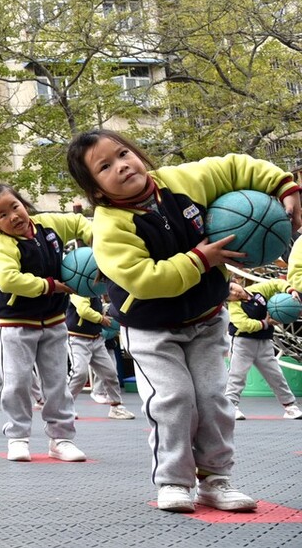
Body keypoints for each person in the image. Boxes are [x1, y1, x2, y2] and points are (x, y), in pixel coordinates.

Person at [66, 128, 301, 513]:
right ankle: (174, 481)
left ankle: (216, 478)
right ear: (97, 191)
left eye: (124, 153)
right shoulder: (110, 227)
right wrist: (201, 259)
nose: (122, 166)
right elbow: (145, 279)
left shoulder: (179, 181)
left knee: (213, 398)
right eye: (105, 167)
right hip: (151, 330)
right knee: (173, 399)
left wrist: (285, 186)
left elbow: (234, 167)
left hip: (207, 318)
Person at [0, 184, 91, 463]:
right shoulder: (3, 246)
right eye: (2, 215)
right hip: (15, 324)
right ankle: (17, 437)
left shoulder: (48, 225)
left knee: (57, 384)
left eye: (14, 206)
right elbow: (7, 280)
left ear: (24, 203)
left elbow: (79, 222)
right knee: (16, 383)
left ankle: (61, 438)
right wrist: (50, 285)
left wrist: (96, 243)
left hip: (54, 321)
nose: (13, 216)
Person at [224, 278, 302, 421]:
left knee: (276, 375)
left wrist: (290, 290)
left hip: (264, 342)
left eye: (232, 287)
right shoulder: (234, 306)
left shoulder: (257, 290)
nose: (235, 292)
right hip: (243, 343)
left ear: (236, 282)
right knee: (237, 376)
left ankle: (290, 406)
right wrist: (265, 323)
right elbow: (243, 324)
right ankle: (230, 406)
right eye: (229, 293)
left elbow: (275, 283)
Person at [66, 294, 135, 420]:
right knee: (79, 373)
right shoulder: (79, 289)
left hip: (96, 339)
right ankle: (64, 407)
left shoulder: (95, 293)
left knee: (110, 373)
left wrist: (108, 310)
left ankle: (116, 406)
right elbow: (83, 310)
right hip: (77, 338)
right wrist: (101, 319)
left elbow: (96, 308)